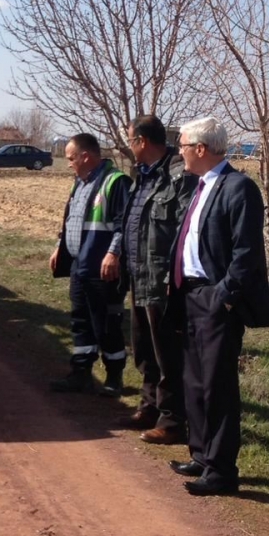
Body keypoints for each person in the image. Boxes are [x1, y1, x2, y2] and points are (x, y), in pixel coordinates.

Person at [168, 116, 269, 496]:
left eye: (182, 145)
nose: (178, 150)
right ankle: (201, 455)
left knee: (218, 386)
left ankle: (221, 471)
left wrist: (224, 297)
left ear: (200, 149)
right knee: (194, 381)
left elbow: (247, 253)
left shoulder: (238, 188)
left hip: (216, 300)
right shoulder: (198, 186)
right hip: (189, 296)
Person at [102, 114, 194, 446]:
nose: (128, 147)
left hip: (161, 281)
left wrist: (174, 275)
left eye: (130, 141)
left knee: (166, 352)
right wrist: (116, 252)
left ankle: (172, 421)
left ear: (142, 141)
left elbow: (185, 230)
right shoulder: (142, 176)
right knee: (143, 349)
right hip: (139, 277)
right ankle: (150, 408)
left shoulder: (178, 175)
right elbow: (130, 222)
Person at [49, 133, 131, 395]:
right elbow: (72, 220)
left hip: (103, 269)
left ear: (86, 156)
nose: (69, 163)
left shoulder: (116, 182)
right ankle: (81, 373)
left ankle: (114, 377)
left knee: (106, 322)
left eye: (71, 158)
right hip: (79, 266)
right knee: (80, 321)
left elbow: (124, 225)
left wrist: (113, 254)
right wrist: (59, 247)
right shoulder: (80, 183)